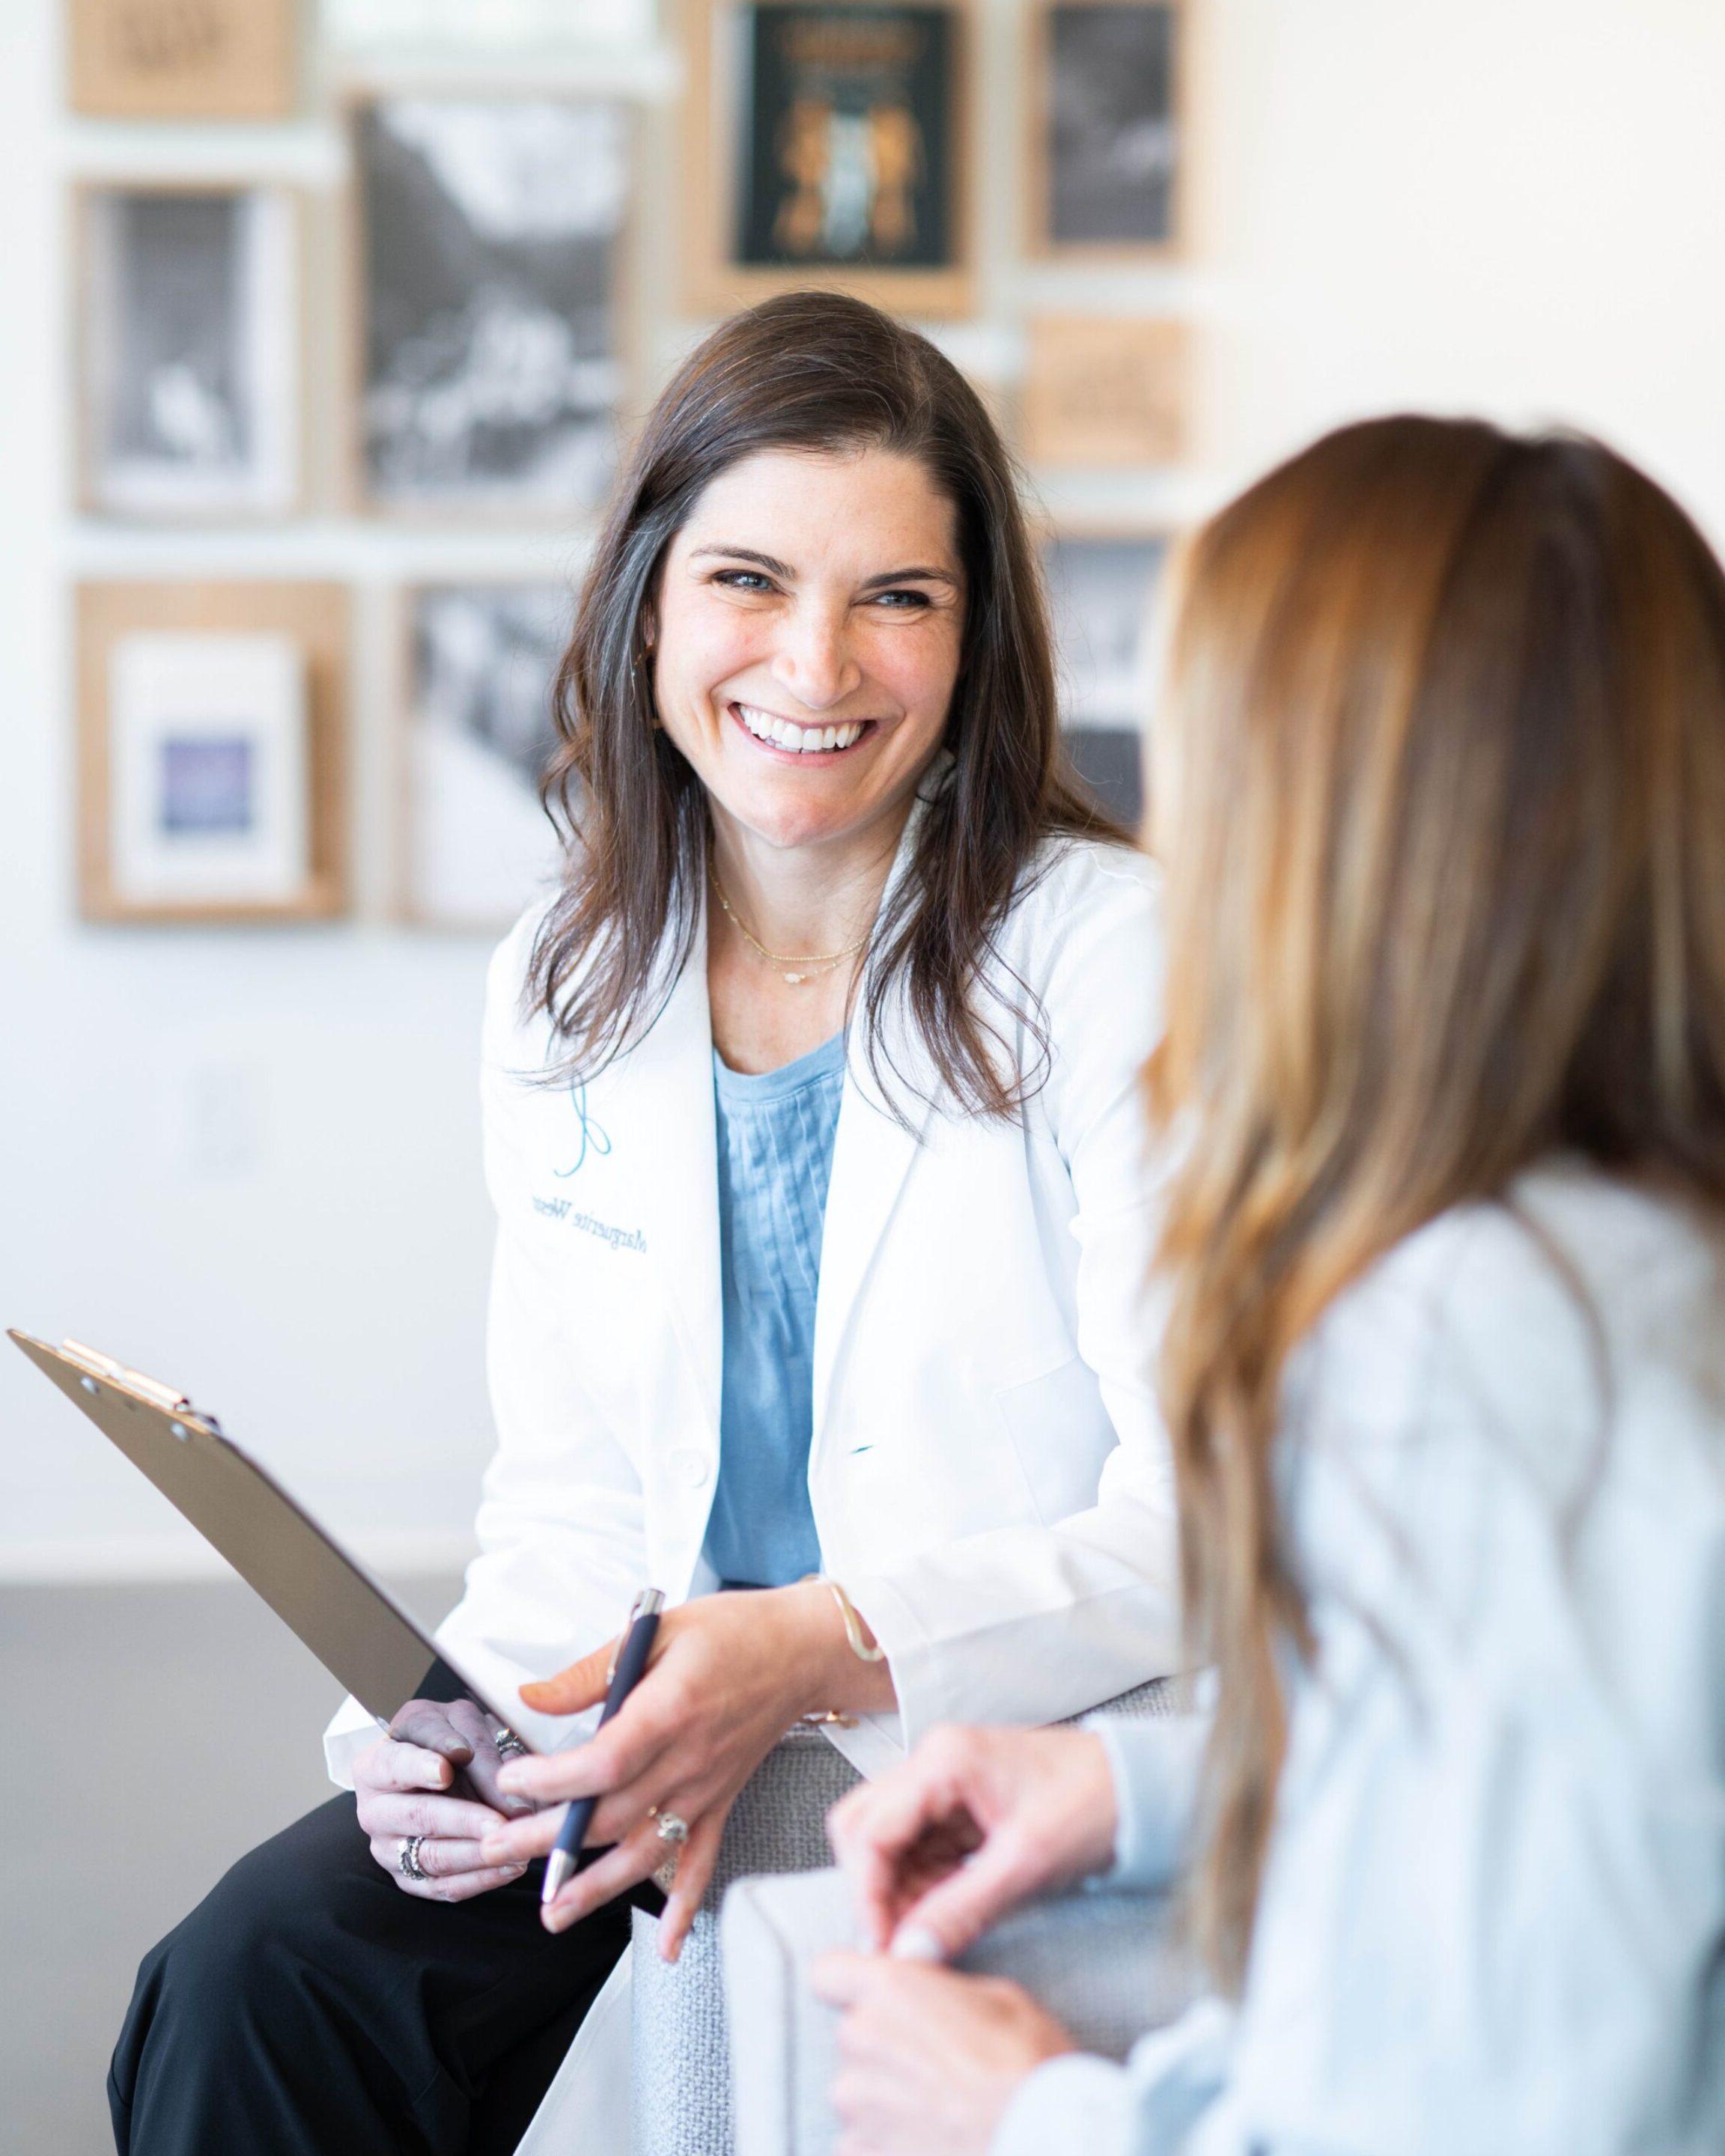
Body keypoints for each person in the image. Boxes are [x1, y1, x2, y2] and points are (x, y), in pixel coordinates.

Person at [109, 290, 1187, 2156]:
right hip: (637, 1740)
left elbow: (1200, 1527)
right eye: (750, 580)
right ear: (650, 603)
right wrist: (433, 1752)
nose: (817, 661)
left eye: (898, 597)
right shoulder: (568, 976)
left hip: (977, 1725)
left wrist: (819, 1641)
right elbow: (576, 1499)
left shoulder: (1109, 957)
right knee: (255, 1984)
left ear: (979, 630)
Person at [813, 415, 1725, 2155]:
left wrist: (1029, 2114)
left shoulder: (1473, 1351)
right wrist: (1142, 1786)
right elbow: (1584, 1803)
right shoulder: (1643, 1258)